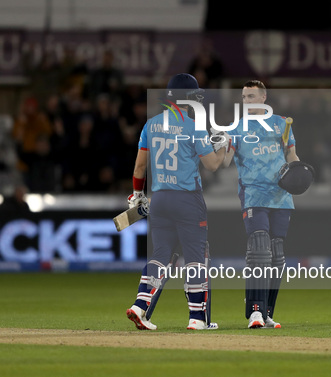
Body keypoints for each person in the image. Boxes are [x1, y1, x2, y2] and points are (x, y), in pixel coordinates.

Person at [125, 73, 226, 331]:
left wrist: (138, 195)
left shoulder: (151, 124)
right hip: (187, 200)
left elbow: (139, 167)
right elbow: (213, 165)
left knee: (160, 256)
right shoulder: (193, 126)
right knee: (196, 259)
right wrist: (223, 144)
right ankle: (197, 319)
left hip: (159, 200)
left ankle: (139, 305)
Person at [223, 80, 303, 329]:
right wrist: (222, 144)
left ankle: (267, 313)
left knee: (277, 256)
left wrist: (299, 174)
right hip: (253, 195)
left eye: (251, 96)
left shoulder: (281, 124)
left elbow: (291, 156)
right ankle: (254, 312)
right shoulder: (235, 128)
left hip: (281, 196)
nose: (246, 101)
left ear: (263, 98)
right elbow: (225, 163)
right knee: (259, 251)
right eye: (244, 97)